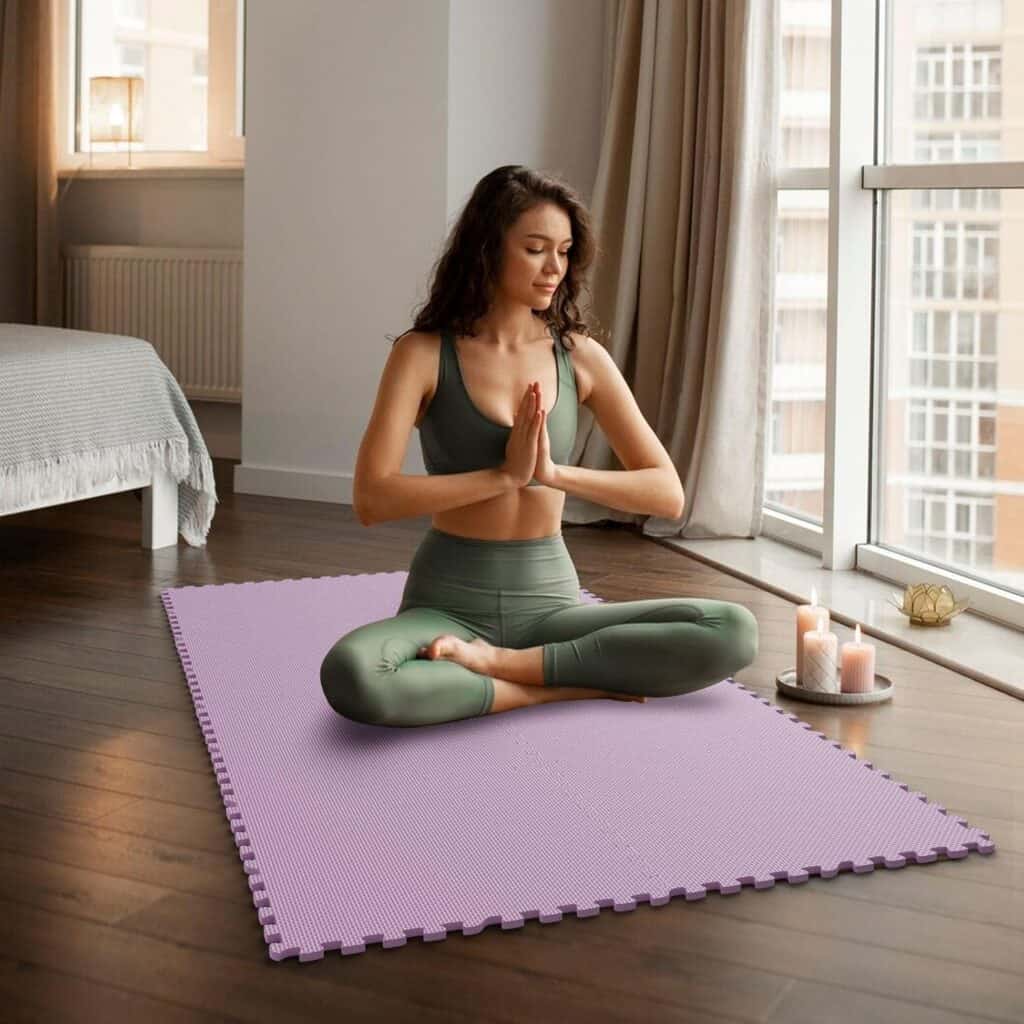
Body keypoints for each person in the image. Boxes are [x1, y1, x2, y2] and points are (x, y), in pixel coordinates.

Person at [319, 165, 758, 727]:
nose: (556, 268)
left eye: (566, 251)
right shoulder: (423, 353)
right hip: (445, 604)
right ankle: (545, 687)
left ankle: (501, 666)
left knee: (732, 630)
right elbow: (371, 498)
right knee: (353, 675)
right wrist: (503, 477)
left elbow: (666, 493)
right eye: (535, 249)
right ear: (487, 249)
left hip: (549, 604)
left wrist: (552, 473)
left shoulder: (579, 357)